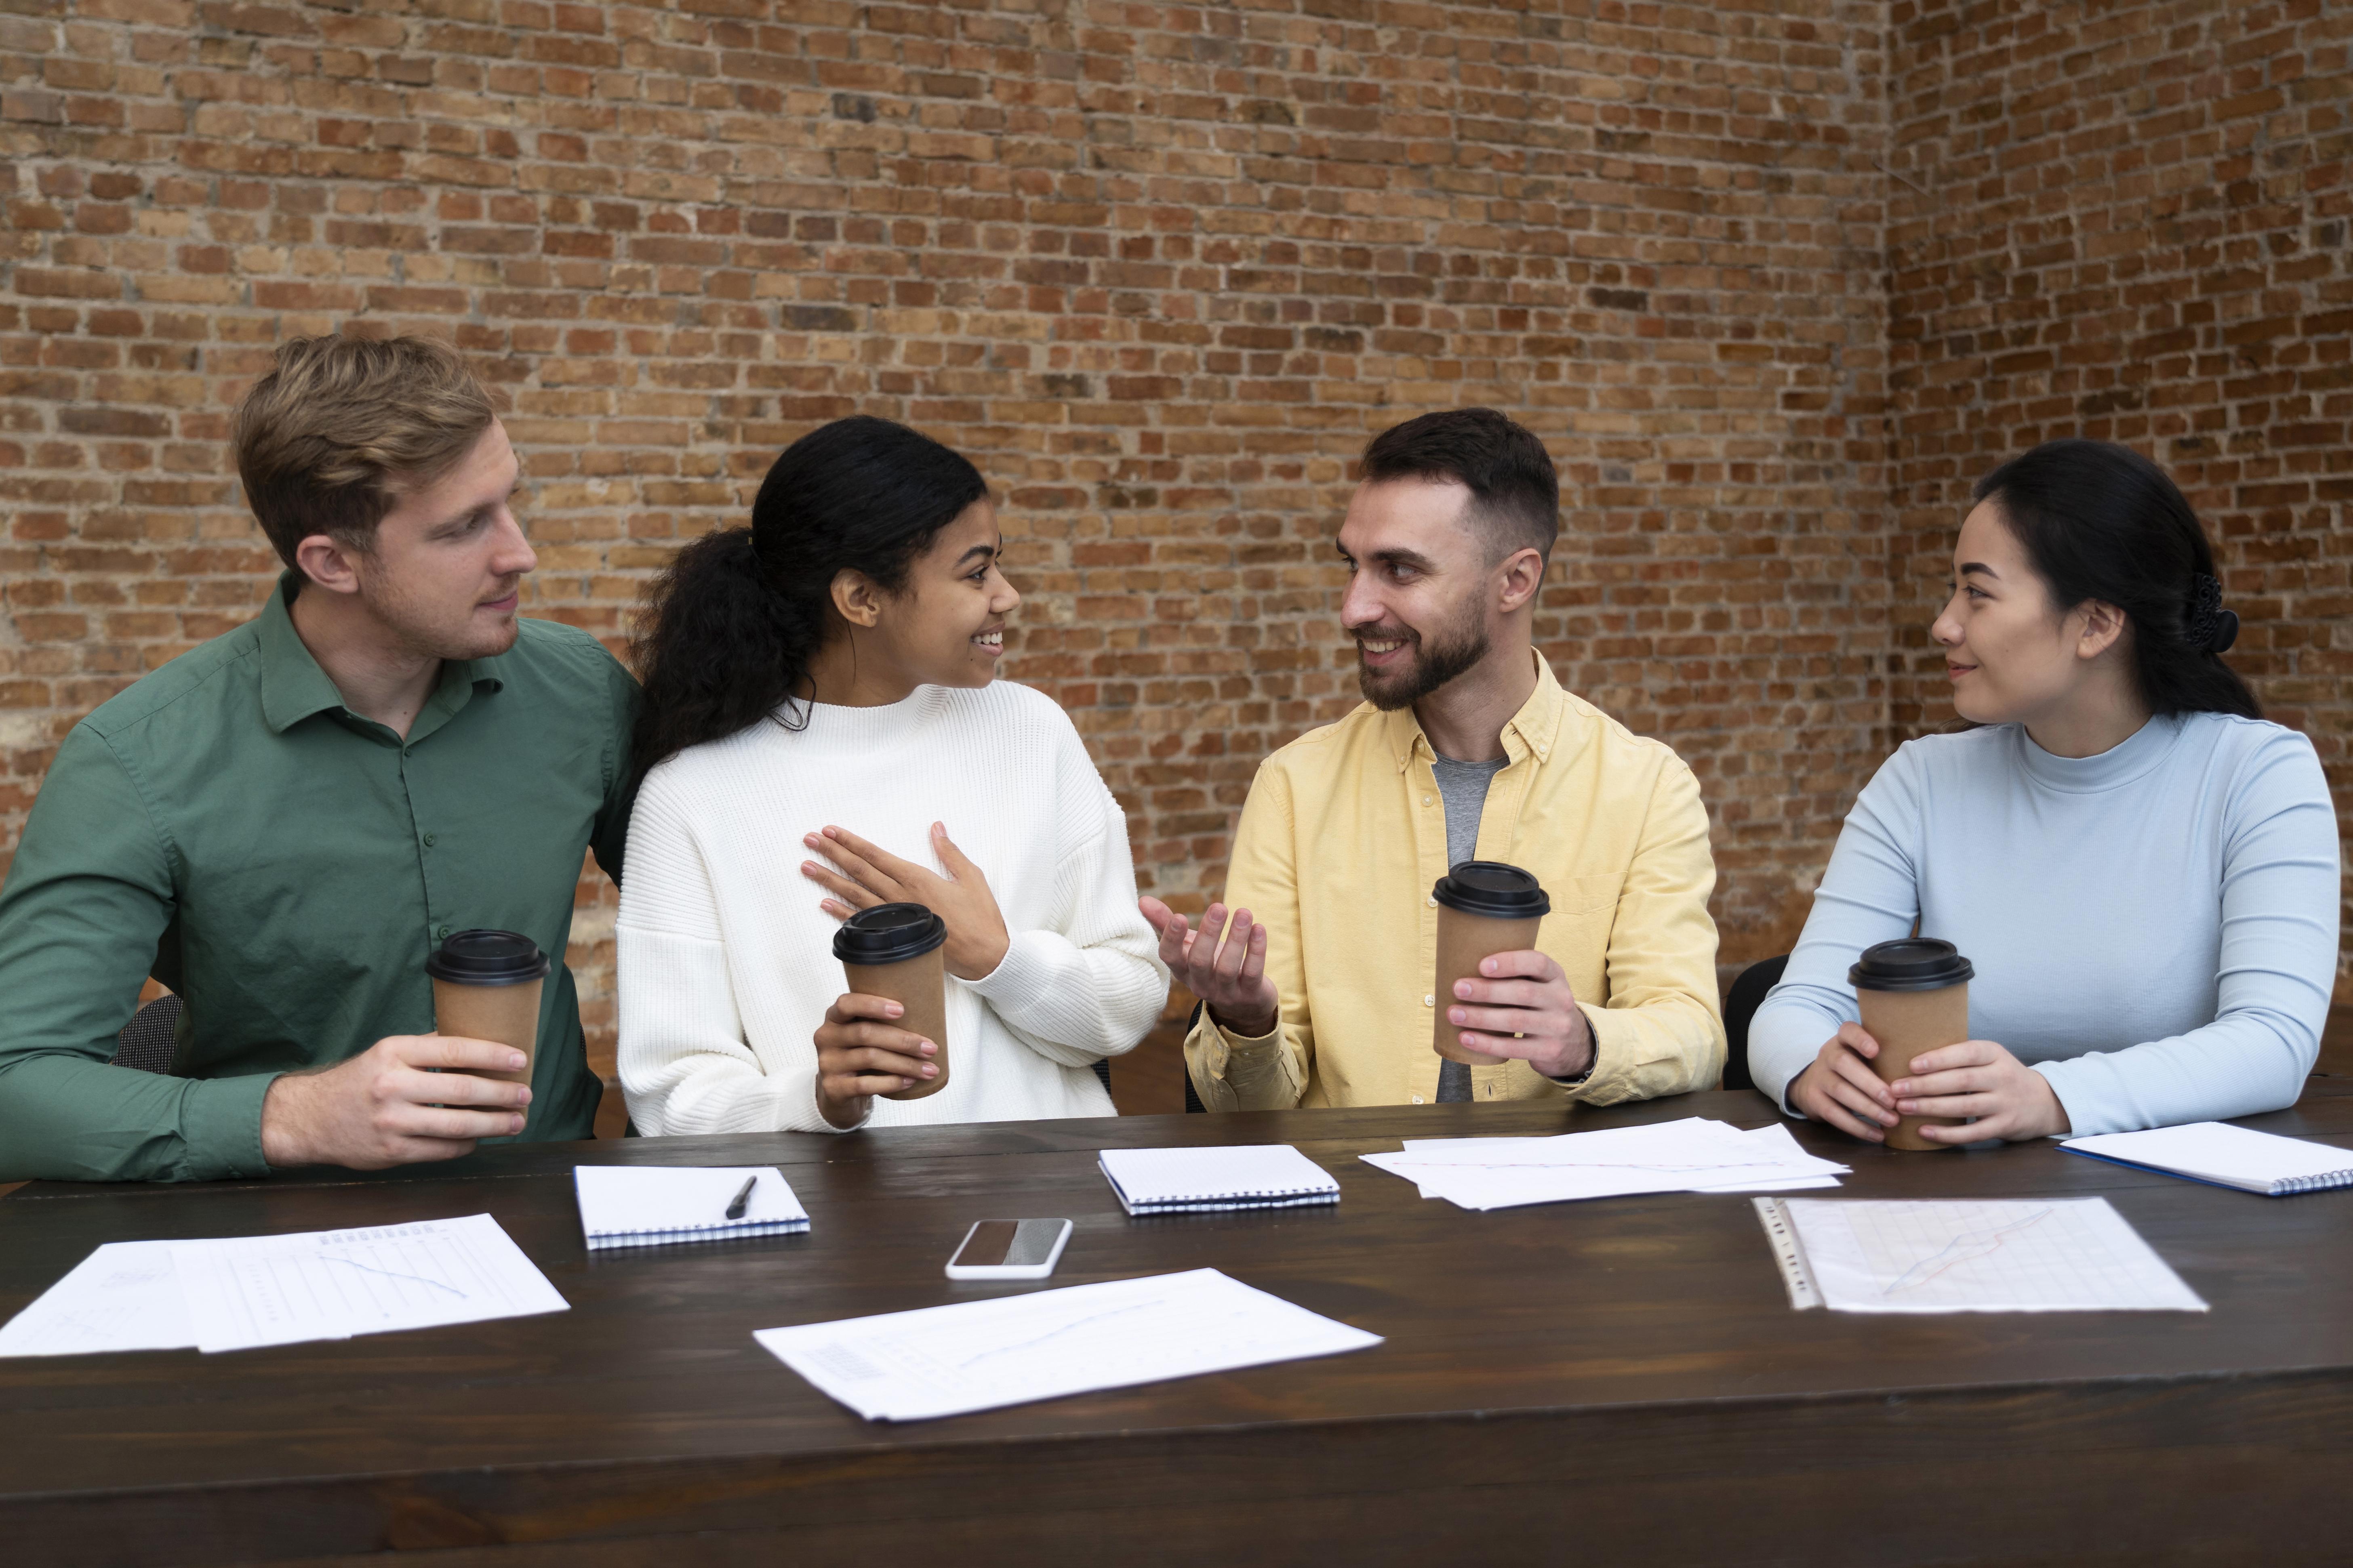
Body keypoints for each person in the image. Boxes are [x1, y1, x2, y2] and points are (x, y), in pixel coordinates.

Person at [0, 336, 640, 1182]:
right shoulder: (135, 763)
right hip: (282, 1239)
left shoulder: (582, 693)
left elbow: (721, 916)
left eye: (508, 501)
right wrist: (296, 1116)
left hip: (558, 1206)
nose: (518, 552)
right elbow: (17, 1087)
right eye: (463, 528)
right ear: (332, 562)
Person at [1750, 439, 2340, 1144]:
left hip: (2189, 1222)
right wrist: (1811, 1067)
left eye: (1978, 592)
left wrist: (2051, 1097)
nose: (1945, 624)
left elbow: (2274, 1042)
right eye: (1953, 590)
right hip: (1963, 1204)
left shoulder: (2257, 773)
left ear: (2096, 623)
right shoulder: (1921, 780)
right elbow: (1796, 1005)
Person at [1146, 408, 1726, 1110]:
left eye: (1399, 570)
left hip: (1558, 1207)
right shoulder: (1295, 787)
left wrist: (1582, 1040)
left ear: (1515, 581)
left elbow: (1693, 1031)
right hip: (1358, 1210)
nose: (1354, 607)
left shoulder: (1646, 787)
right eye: (1352, 565)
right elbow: (1251, 1111)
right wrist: (1247, 1020)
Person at [616, 416, 1166, 1135]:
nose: (1008, 595)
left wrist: (998, 958)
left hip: (1053, 1195)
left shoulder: (1031, 731)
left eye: (998, 563)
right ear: (861, 599)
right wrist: (814, 1096)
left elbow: (1129, 999)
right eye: (975, 573)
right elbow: (670, 1094)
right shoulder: (691, 797)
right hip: (832, 1224)